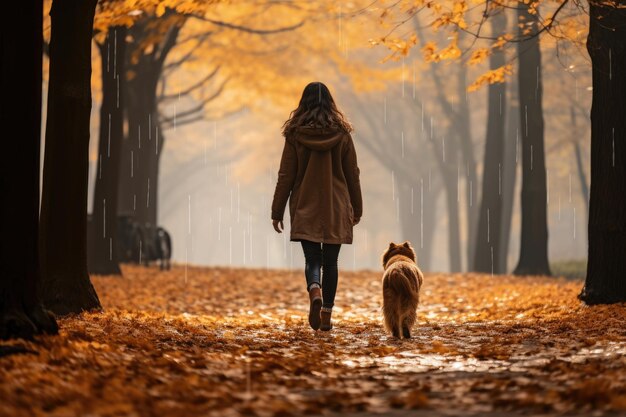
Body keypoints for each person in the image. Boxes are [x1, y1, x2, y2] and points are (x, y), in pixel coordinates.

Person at [271, 82, 363, 331]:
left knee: (312, 259)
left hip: (305, 204)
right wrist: (357, 205)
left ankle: (314, 290)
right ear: (331, 104)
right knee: (331, 262)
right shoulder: (342, 135)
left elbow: (285, 175)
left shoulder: (295, 135)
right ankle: (326, 313)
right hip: (335, 204)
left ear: (304, 103)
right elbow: (352, 173)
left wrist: (277, 211)